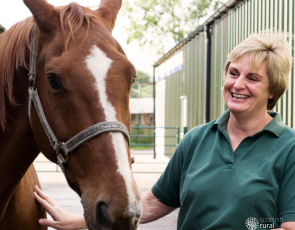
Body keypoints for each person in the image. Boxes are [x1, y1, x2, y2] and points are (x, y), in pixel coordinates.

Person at [34, 32, 295, 229]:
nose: (237, 84)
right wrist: (80, 221)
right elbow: (156, 201)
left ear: (274, 90)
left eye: (252, 78)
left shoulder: (289, 148)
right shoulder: (196, 140)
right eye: (233, 73)